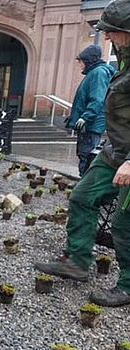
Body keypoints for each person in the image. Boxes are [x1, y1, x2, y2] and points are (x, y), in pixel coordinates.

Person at [35, 0, 130, 307]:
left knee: (124, 222)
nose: (108, 39)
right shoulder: (122, 63)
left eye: (113, 33)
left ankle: (127, 286)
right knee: (82, 196)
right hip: (115, 150)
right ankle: (77, 262)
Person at [66, 45, 116, 176]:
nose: (80, 65)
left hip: (91, 125)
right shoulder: (96, 73)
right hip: (91, 124)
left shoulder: (98, 73)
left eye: (81, 61)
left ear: (88, 60)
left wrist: (86, 117)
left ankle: (83, 190)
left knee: (87, 157)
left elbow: (97, 98)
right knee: (86, 155)